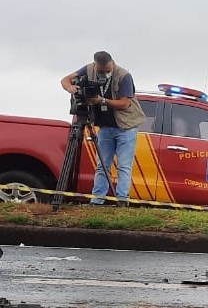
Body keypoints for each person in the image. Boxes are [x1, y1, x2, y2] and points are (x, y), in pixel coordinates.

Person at [59, 51, 146, 204]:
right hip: (105, 127)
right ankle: (97, 200)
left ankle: (122, 200)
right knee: (102, 166)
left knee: (123, 167)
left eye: (106, 70)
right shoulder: (89, 69)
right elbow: (65, 79)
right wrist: (71, 88)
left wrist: (102, 101)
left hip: (125, 127)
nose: (103, 73)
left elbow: (125, 103)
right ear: (95, 65)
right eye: (100, 71)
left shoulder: (123, 75)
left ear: (112, 63)